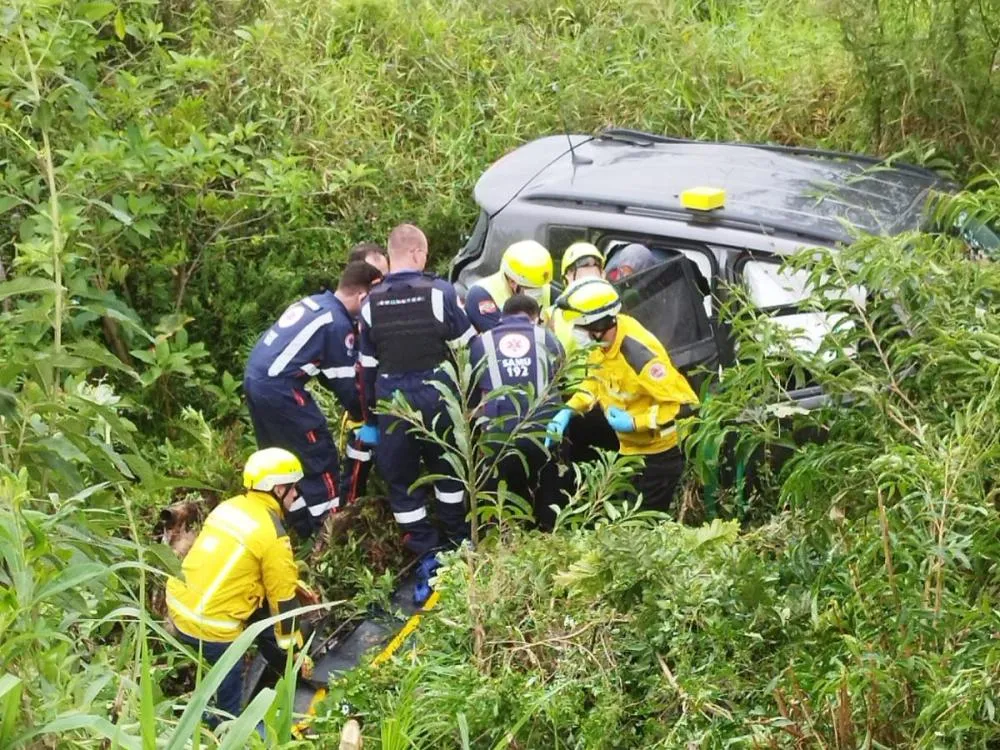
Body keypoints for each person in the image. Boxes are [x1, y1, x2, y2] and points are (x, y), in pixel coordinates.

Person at [357, 224, 476, 605]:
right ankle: (459, 544)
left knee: (402, 482)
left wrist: (371, 420)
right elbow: (468, 351)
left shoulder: (370, 303)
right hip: (438, 393)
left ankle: (427, 556)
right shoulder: (441, 293)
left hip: (392, 400)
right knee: (449, 470)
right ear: (420, 254)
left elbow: (366, 369)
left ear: (391, 256)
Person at [166, 448, 314, 726]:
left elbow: (238, 565)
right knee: (230, 707)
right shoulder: (273, 536)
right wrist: (295, 652)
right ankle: (230, 730)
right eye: (294, 488)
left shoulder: (230, 507)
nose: (297, 494)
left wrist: (294, 584)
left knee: (261, 614)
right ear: (279, 489)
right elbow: (283, 604)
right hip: (210, 627)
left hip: (179, 604)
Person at [244, 261, 383, 537]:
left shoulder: (316, 303)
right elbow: (346, 386)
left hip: (256, 380)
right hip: (281, 389)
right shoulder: (337, 324)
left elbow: (321, 370)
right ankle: (328, 533)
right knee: (320, 457)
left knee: (283, 461)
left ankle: (299, 528)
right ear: (362, 296)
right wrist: (370, 415)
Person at [546, 279, 699, 511]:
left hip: (658, 456)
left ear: (598, 326)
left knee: (643, 527)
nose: (577, 333)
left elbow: (685, 407)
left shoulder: (639, 355)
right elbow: (594, 382)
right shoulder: (601, 346)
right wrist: (569, 410)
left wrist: (635, 422)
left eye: (580, 328)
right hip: (628, 451)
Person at [469, 294, 565, 530]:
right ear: (535, 316)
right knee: (548, 493)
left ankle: (501, 541)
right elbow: (562, 380)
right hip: (543, 431)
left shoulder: (482, 343)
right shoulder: (549, 338)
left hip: (498, 433)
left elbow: (472, 392)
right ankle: (549, 537)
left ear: (503, 315)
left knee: (500, 500)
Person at [465, 240, 554, 333]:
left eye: (540, 286)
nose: (538, 292)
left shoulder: (548, 291)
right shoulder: (482, 295)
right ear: (512, 281)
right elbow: (502, 337)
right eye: (530, 288)